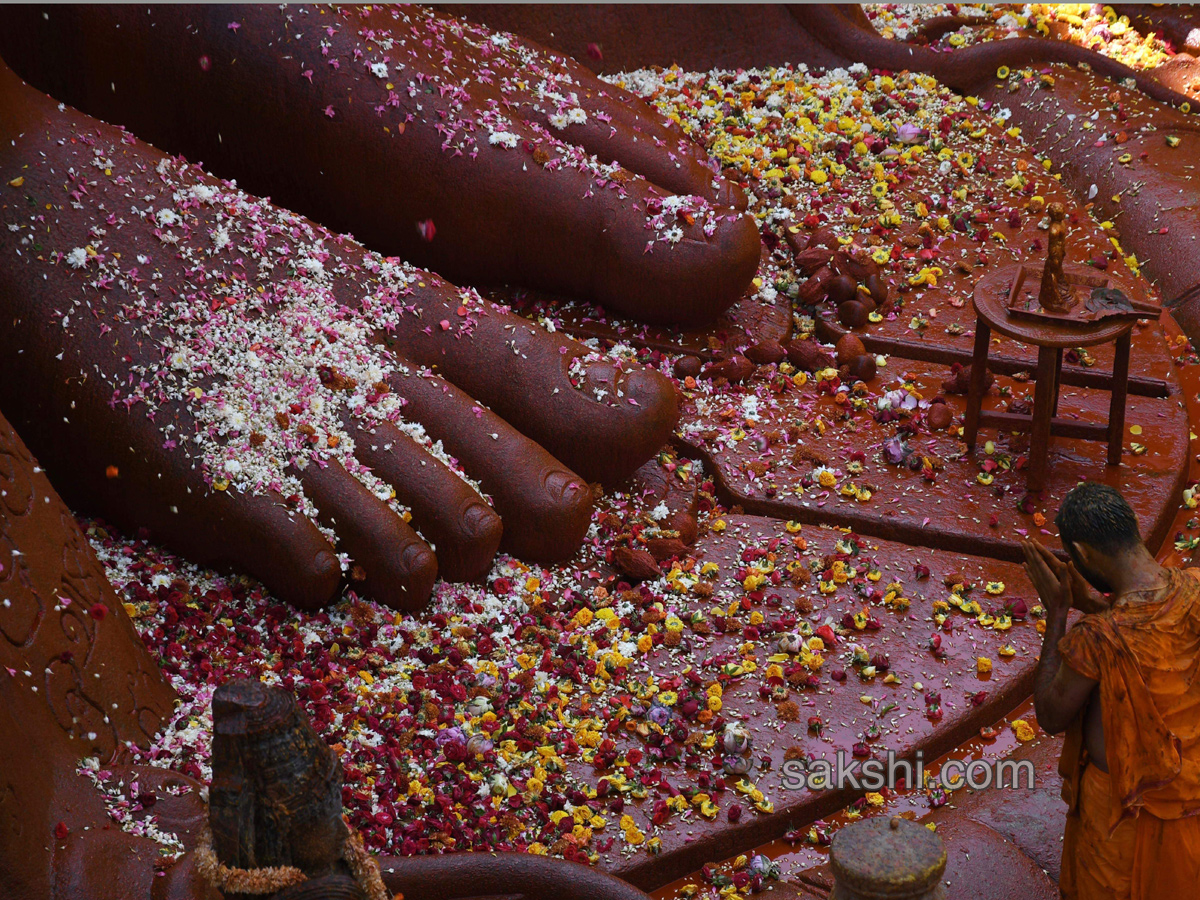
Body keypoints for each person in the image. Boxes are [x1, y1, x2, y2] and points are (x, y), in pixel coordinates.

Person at [1022, 482, 1200, 899]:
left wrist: (1059, 612)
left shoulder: (1096, 640)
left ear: (1081, 556)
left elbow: (1050, 714)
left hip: (1123, 823)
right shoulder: (1194, 588)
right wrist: (1097, 606)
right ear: (1133, 528)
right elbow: (1148, 634)